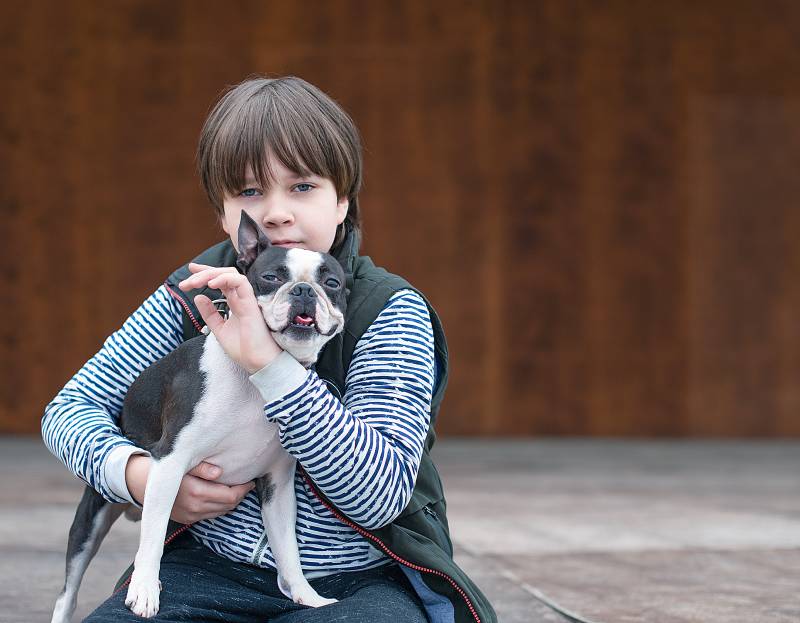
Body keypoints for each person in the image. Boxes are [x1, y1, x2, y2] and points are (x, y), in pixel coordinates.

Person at [42, 76, 496, 623]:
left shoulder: (388, 309)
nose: (277, 213)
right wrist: (135, 475)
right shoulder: (196, 292)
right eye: (251, 193)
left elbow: (380, 496)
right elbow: (67, 413)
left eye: (302, 187)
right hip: (205, 563)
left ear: (342, 202)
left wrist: (270, 366)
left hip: (359, 578)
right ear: (226, 215)